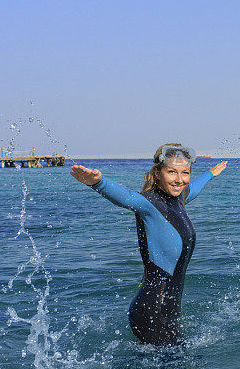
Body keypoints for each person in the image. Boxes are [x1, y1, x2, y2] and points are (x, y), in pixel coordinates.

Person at [70, 143, 227, 345]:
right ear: (158, 173)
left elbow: (194, 187)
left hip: (165, 311)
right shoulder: (149, 203)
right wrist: (98, 183)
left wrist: (210, 174)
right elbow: (127, 196)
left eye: (185, 173)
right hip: (153, 312)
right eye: (172, 172)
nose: (179, 180)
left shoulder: (179, 199)